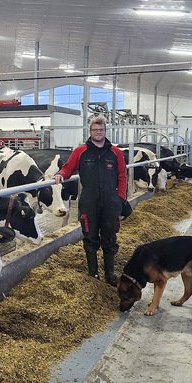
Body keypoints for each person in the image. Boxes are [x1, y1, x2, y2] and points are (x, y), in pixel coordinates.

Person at [53, 116, 127, 286]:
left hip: (110, 203)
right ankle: (93, 274)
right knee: (90, 237)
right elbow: (68, 168)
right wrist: (60, 175)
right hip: (89, 202)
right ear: (90, 131)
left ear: (105, 131)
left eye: (101, 130)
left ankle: (109, 275)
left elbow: (122, 176)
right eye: (95, 130)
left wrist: (120, 200)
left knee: (110, 237)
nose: (98, 132)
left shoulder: (115, 153)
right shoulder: (81, 151)